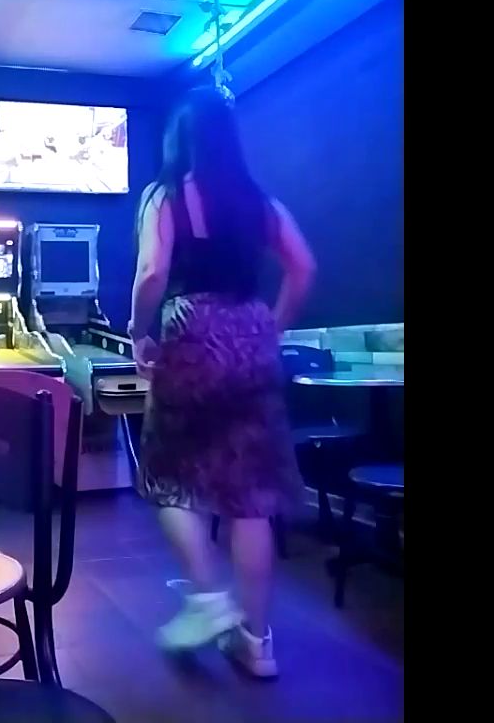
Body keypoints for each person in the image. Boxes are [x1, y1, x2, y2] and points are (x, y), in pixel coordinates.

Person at [128, 84, 315, 678]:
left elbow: (153, 272)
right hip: (251, 340)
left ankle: (208, 598)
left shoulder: (165, 194)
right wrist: (272, 326)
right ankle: (256, 644)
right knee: (249, 497)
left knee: (165, 475)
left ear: (178, 139)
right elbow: (303, 267)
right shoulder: (259, 201)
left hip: (191, 338)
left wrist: (138, 331)